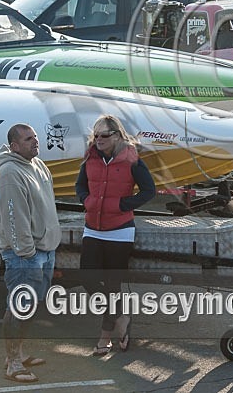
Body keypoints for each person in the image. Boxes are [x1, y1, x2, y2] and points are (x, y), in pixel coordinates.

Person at [75, 115, 155, 356]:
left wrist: (122, 205)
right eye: (96, 135)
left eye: (104, 135)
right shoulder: (90, 157)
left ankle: (104, 338)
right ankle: (121, 315)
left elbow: (149, 191)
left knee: (112, 286)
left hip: (119, 231)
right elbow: (80, 186)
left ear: (117, 136)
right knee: (88, 278)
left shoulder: (132, 160)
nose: (98, 139)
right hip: (93, 229)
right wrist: (85, 200)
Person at [0, 123, 61, 383]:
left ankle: (19, 352)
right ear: (14, 146)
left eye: (35, 137)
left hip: (44, 250)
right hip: (25, 255)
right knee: (19, 307)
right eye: (28, 139)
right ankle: (13, 364)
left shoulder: (38, 164)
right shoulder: (10, 173)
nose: (35, 142)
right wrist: (27, 253)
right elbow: (15, 219)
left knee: (30, 307)